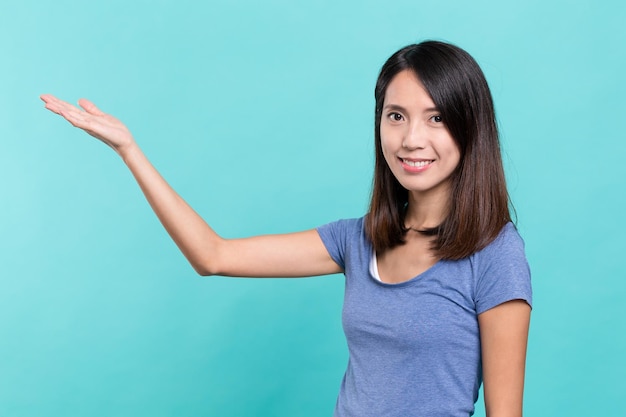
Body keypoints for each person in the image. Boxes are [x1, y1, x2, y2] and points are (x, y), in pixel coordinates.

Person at [41, 40, 532, 417]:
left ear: (471, 127)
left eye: (437, 118)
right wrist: (130, 150)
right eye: (396, 116)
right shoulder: (357, 240)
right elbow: (213, 255)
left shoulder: (495, 252)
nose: (411, 139)